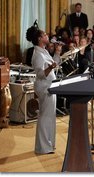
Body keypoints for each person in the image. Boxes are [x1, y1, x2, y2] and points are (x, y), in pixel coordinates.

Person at [26, 25, 61, 154]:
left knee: (50, 116)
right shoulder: (37, 54)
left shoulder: (44, 51)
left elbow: (54, 65)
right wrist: (50, 68)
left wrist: (57, 53)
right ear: (40, 38)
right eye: (45, 35)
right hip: (44, 87)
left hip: (50, 85)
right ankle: (43, 147)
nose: (48, 36)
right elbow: (40, 74)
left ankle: (49, 144)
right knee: (45, 117)